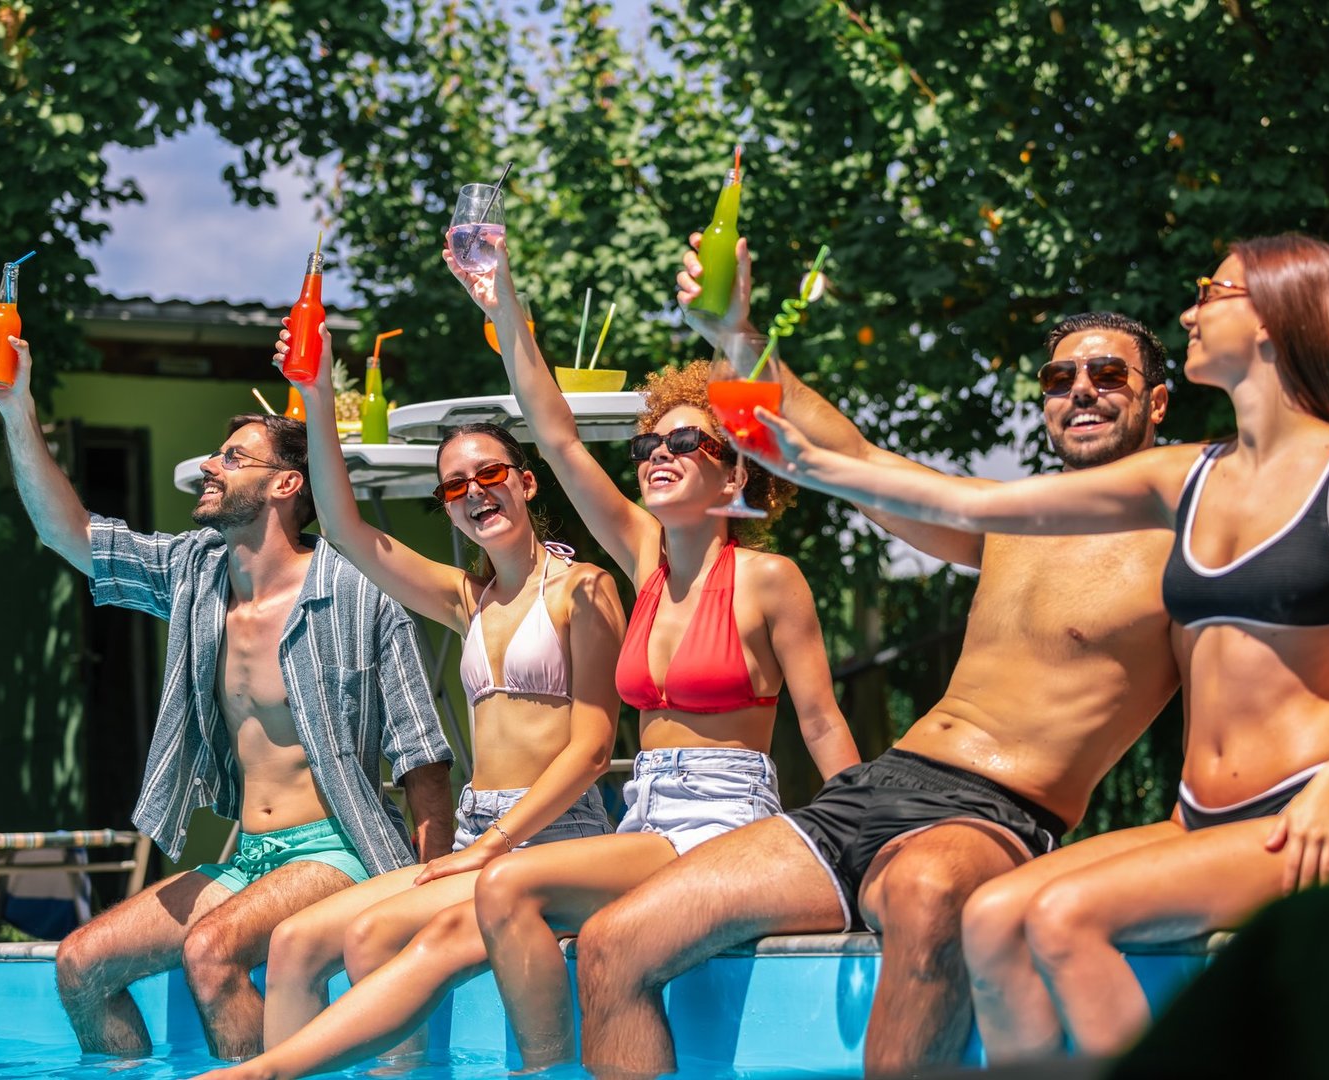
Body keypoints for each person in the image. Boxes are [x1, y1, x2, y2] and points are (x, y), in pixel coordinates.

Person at [750, 234, 1329, 1060]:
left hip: (1308, 814)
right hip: (1200, 818)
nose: (1191, 310)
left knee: (1059, 916)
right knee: (991, 917)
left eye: (1212, 293)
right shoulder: (1187, 478)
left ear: (1273, 317)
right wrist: (821, 469)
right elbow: (957, 500)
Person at [192, 232, 860, 1080]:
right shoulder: (646, 561)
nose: (657, 455)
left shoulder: (756, 581)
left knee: (500, 890)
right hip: (640, 820)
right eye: (649, 446)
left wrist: (859, 848)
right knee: (350, 941)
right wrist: (498, 304)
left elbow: (822, 723)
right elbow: (556, 431)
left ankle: (543, 1072)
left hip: (713, 823)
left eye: (685, 445)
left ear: (735, 477)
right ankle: (269, 1072)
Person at [576, 237, 1180, 1076]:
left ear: (1157, 403)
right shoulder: (1007, 515)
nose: (1079, 390)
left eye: (1108, 375)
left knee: (927, 896)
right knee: (613, 944)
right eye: (1059, 379)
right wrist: (741, 338)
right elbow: (856, 462)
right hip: (875, 790)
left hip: (993, 813)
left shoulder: (1190, 544)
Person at [0, 330, 454, 1060]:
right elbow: (68, 533)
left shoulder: (359, 591)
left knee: (210, 951)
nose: (209, 470)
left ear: (287, 484)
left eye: (232, 459)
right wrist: (14, 408)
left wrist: (429, 891)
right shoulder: (195, 575)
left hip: (340, 848)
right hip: (251, 856)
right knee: (80, 967)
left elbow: (424, 761)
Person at [255, 323, 624, 1051]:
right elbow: (345, 528)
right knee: (295, 942)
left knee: (372, 938)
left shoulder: (584, 589)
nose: (474, 492)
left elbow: (591, 749)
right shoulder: (469, 600)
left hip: (552, 833)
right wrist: (317, 392)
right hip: (481, 830)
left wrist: (490, 846)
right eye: (455, 486)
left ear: (525, 481)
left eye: (490, 474)